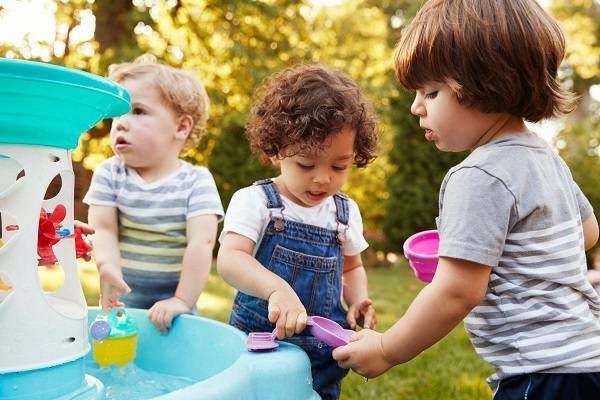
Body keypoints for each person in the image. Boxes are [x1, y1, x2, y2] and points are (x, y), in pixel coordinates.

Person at [332, 1, 600, 399]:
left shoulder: (477, 175)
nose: (416, 107)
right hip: (587, 358)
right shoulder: (545, 157)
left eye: (431, 91)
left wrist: (387, 350)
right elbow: (587, 232)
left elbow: (456, 292)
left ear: (486, 82)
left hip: (542, 373)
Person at [217, 64, 379, 399]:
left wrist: (358, 299)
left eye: (339, 166)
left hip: (322, 355)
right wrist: (277, 289)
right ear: (276, 150)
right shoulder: (256, 202)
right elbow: (230, 260)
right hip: (260, 347)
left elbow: (352, 266)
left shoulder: (344, 213)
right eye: (306, 165)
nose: (323, 179)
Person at [84, 55, 224, 333]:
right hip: (123, 304)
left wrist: (182, 300)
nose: (120, 123)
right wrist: (106, 265)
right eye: (117, 114)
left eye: (137, 111)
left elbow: (202, 242)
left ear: (181, 127)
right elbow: (103, 229)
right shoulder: (110, 174)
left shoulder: (196, 181)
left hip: (176, 310)